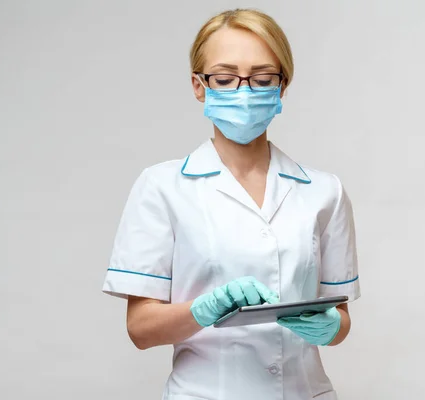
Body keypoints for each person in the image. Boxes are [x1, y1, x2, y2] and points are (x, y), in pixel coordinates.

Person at [102, 8, 360, 400]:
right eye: (224, 78)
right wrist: (204, 309)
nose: (244, 91)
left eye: (262, 78)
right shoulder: (162, 187)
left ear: (282, 86)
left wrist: (330, 327)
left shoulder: (325, 192)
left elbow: (340, 322)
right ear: (199, 86)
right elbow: (140, 329)